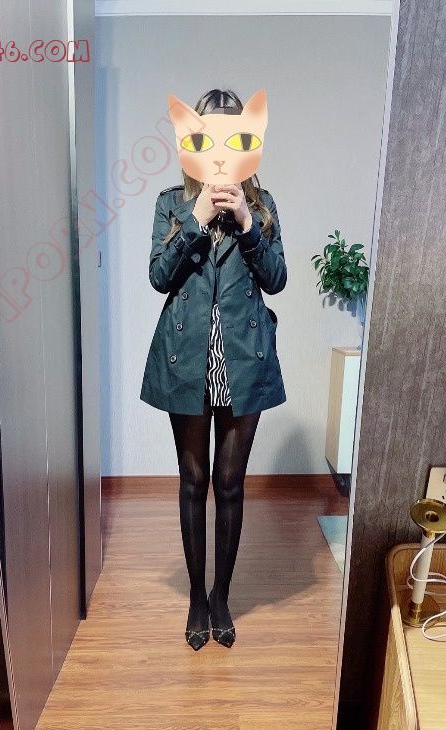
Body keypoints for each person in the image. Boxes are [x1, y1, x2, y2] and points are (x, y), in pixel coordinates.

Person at [140, 88, 287, 650]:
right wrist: (198, 219)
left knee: (230, 483)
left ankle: (222, 594)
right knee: (193, 481)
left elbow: (276, 279)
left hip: (243, 361)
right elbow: (159, 276)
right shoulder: (172, 204)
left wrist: (247, 223)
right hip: (188, 360)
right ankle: (196, 597)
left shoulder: (263, 205)